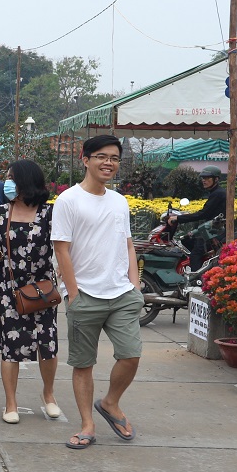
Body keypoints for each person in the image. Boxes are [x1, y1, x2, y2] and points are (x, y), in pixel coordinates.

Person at [53, 134, 144, 450]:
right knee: (83, 364)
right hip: (85, 296)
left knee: (131, 355)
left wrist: (135, 285)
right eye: (102, 156)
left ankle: (110, 403)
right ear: (85, 158)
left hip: (121, 294)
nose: (109, 163)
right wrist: (73, 295)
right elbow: (62, 250)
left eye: (115, 158)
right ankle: (87, 425)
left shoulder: (119, 201)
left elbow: (128, 243)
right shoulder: (68, 200)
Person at [0, 160, 59, 425]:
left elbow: (62, 250)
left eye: (12, 178)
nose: (7, 182)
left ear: (26, 181)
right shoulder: (0, 213)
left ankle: (49, 395)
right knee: (10, 347)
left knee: (47, 344)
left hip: (43, 289)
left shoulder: (50, 213)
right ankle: (10, 402)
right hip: (9, 290)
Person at [167, 165, 226, 271]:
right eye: (203, 178)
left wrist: (179, 218)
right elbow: (207, 213)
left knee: (195, 255)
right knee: (187, 241)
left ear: (216, 179)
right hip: (211, 229)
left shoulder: (218, 194)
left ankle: (197, 281)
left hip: (214, 232)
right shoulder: (216, 193)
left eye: (207, 178)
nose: (204, 180)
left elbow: (202, 214)